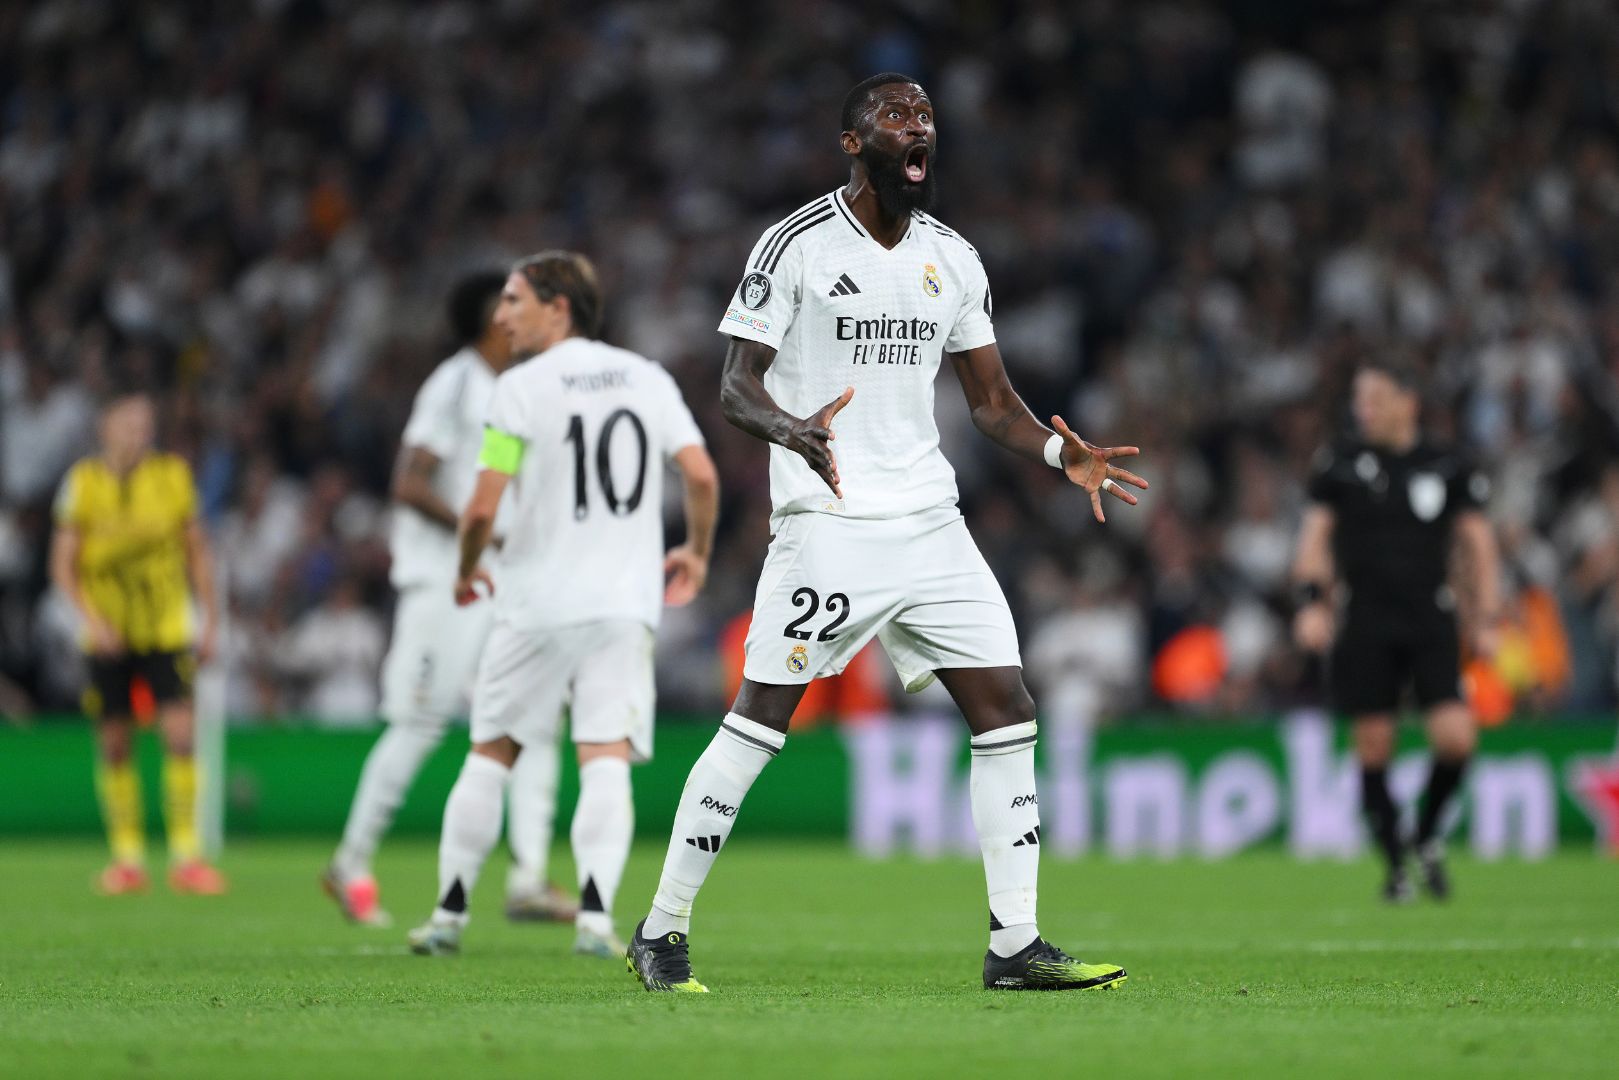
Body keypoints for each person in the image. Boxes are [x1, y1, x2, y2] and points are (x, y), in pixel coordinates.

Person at [626, 73, 1147, 994]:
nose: (918, 128)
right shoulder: (793, 245)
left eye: (925, 117)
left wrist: (1060, 458)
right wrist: (792, 430)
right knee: (758, 721)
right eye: (894, 117)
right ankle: (661, 930)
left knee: (1007, 711)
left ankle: (1014, 946)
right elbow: (735, 386)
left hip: (929, 525)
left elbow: (991, 406)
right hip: (829, 522)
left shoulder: (954, 257)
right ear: (852, 143)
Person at [408, 251, 718, 958]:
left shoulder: (517, 389)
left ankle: (450, 914)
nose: (499, 315)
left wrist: (465, 570)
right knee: (603, 755)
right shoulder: (648, 379)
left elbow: (481, 509)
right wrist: (695, 552)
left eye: (514, 300)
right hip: (622, 606)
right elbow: (699, 473)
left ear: (558, 306)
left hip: (536, 602)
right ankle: (594, 920)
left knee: (491, 753)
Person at [323, 273, 575, 928]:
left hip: (500, 581)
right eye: (514, 302)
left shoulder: (511, 387)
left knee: (536, 716)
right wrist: (476, 528)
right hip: (444, 584)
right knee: (421, 722)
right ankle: (350, 862)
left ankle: (526, 877)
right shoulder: (453, 383)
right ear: (493, 318)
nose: (526, 314)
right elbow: (409, 482)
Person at [1291, 359, 1501, 901]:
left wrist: (1487, 618)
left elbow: (1478, 545)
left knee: (1456, 738)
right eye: (1360, 399)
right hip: (1365, 618)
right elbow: (1314, 538)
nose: (1366, 410)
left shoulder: (1447, 463)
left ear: (1409, 401)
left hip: (1431, 613)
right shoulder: (1339, 462)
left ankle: (1427, 833)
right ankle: (1395, 867)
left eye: (1377, 398)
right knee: (1373, 745)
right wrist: (1313, 603)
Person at [49, 388, 226, 895]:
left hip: (165, 627)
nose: (138, 433)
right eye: (129, 423)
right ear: (105, 427)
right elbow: (62, 566)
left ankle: (186, 855)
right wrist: (91, 618)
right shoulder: (81, 484)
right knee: (114, 743)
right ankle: (127, 858)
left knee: (180, 736)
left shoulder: (172, 477)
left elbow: (197, 553)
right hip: (105, 632)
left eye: (146, 424)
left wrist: (209, 620)